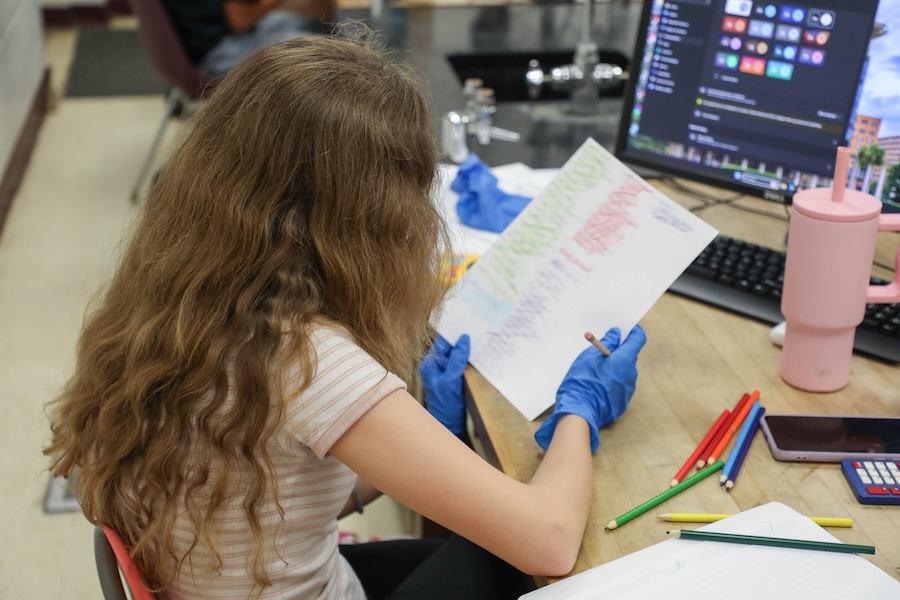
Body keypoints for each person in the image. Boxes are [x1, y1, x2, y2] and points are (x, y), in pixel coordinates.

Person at [44, 31, 646, 600]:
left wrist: (423, 435)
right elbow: (548, 542)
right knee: (532, 560)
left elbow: (273, 495)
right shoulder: (305, 357)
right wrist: (578, 411)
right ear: (361, 217)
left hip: (255, 576)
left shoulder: (187, 295)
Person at [161, 0, 337, 77]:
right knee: (322, 49)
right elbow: (239, 18)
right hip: (216, 55)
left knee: (313, 25)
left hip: (197, 44)